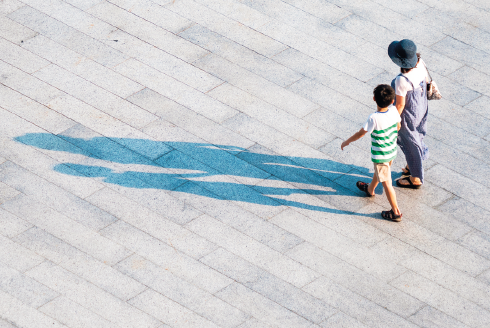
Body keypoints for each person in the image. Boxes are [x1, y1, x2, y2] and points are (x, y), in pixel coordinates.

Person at [341, 84, 402, 222]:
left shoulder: (373, 118)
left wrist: (347, 141)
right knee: (379, 172)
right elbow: (398, 126)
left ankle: (396, 211)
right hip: (391, 151)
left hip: (381, 156)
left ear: (374, 98)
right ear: (392, 101)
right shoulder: (394, 111)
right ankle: (370, 189)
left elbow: (361, 133)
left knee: (387, 183)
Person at [388, 39, 429, 189]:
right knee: (417, 135)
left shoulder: (401, 80)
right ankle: (410, 166)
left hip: (409, 114)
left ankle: (416, 178)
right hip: (421, 107)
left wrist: (392, 121)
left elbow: (400, 104)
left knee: (409, 141)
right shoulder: (420, 62)